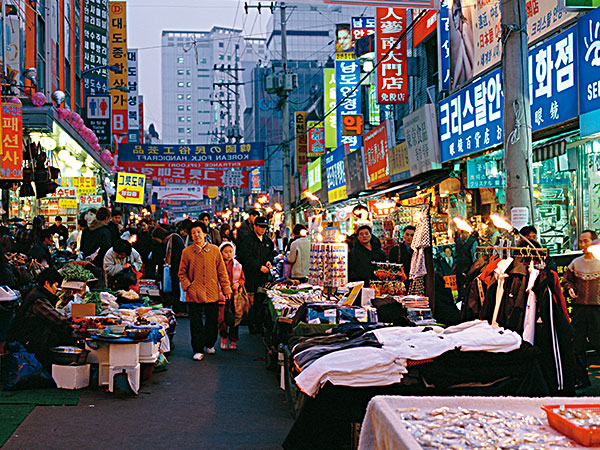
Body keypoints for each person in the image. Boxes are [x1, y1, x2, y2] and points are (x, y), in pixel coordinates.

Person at [178, 221, 232, 361]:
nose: (196, 235)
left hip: (212, 291)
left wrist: (226, 288)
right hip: (194, 292)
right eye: (193, 233)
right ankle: (197, 349)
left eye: (199, 232)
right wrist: (188, 286)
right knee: (195, 322)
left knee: (212, 321)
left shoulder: (214, 250)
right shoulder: (187, 252)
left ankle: (210, 343)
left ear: (204, 234)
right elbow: (181, 273)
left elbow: (222, 271)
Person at [6, 268, 74, 368]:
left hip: (32, 339)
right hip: (29, 342)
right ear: (47, 283)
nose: (56, 289)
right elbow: (58, 319)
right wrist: (75, 322)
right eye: (56, 285)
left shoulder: (37, 292)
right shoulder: (38, 299)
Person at [563, 230, 600, 388]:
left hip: (598, 310)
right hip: (579, 310)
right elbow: (567, 280)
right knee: (577, 345)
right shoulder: (576, 263)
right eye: (581, 241)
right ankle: (581, 379)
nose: (583, 244)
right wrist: (570, 288)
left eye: (586, 241)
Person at [237, 216, 274, 334]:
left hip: (264, 277)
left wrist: (269, 261)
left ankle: (259, 324)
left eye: (265, 227)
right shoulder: (247, 240)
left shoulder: (268, 241)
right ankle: (251, 324)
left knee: (261, 301)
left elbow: (271, 254)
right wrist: (258, 267)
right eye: (261, 227)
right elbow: (245, 258)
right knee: (251, 302)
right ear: (255, 226)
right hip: (251, 276)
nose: (263, 229)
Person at [218, 242, 245, 350]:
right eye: (226, 252)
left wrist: (238, 284)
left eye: (230, 252)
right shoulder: (217, 265)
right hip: (221, 294)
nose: (228, 254)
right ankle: (223, 337)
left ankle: (233, 339)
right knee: (221, 319)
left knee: (235, 318)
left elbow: (242, 278)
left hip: (234, 295)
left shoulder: (237, 265)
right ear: (221, 253)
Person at [161, 229, 186, 315]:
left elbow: (175, 256)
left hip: (177, 268)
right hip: (176, 268)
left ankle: (179, 309)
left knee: (176, 289)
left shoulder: (174, 240)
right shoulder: (175, 238)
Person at [454, 230, 478, 301]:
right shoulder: (458, 241)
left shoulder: (473, 241)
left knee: (467, 286)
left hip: (468, 268)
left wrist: (473, 269)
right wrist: (455, 265)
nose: (462, 235)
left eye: (463, 233)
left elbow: (474, 256)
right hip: (459, 267)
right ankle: (460, 299)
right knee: (459, 285)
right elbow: (456, 254)